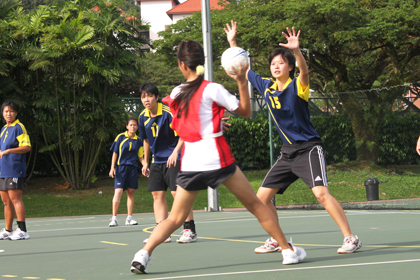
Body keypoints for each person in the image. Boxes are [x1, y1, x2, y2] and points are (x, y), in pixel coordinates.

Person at [130, 40, 306, 274]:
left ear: (182, 65)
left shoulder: (176, 93)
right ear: (202, 62)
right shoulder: (212, 88)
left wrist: (209, 121)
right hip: (217, 159)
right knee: (255, 204)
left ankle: (142, 255)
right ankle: (287, 250)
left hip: (191, 162)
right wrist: (242, 82)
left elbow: (181, 122)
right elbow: (245, 111)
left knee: (174, 218)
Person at [224, 21, 362, 254]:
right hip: (287, 153)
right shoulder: (266, 87)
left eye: (281, 63)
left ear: (289, 67)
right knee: (261, 199)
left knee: (320, 193)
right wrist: (232, 43)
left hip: (308, 148)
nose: (276, 66)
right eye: (273, 63)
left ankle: (351, 238)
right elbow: (243, 68)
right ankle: (278, 240)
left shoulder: (298, 86)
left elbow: (305, 72)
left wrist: (296, 51)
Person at [138, 82, 197, 244]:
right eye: (143, 97)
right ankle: (162, 232)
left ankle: (189, 230)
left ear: (157, 97)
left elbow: (183, 134)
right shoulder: (143, 117)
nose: (147, 99)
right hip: (157, 160)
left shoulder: (169, 113)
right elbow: (146, 141)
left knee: (177, 194)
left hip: (175, 157)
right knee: (157, 194)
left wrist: (175, 152)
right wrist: (145, 163)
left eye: (150, 96)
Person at [0, 101, 31, 240]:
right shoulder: (3, 129)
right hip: (3, 169)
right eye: (6, 111)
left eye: (11, 111)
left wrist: (9, 151)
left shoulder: (19, 127)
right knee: (6, 201)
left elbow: (26, 147)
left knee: (15, 198)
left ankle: (23, 230)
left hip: (14, 168)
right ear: (2, 113)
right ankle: (8, 229)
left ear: (16, 113)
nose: (9, 114)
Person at [108, 118, 145, 227]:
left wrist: (145, 166)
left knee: (131, 192)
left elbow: (141, 156)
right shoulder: (120, 137)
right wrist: (112, 168)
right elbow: (115, 153)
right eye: (131, 125)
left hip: (132, 168)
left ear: (137, 127)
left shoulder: (138, 141)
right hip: (120, 168)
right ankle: (114, 218)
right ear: (127, 126)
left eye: (135, 125)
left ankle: (129, 217)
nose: (133, 127)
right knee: (118, 192)